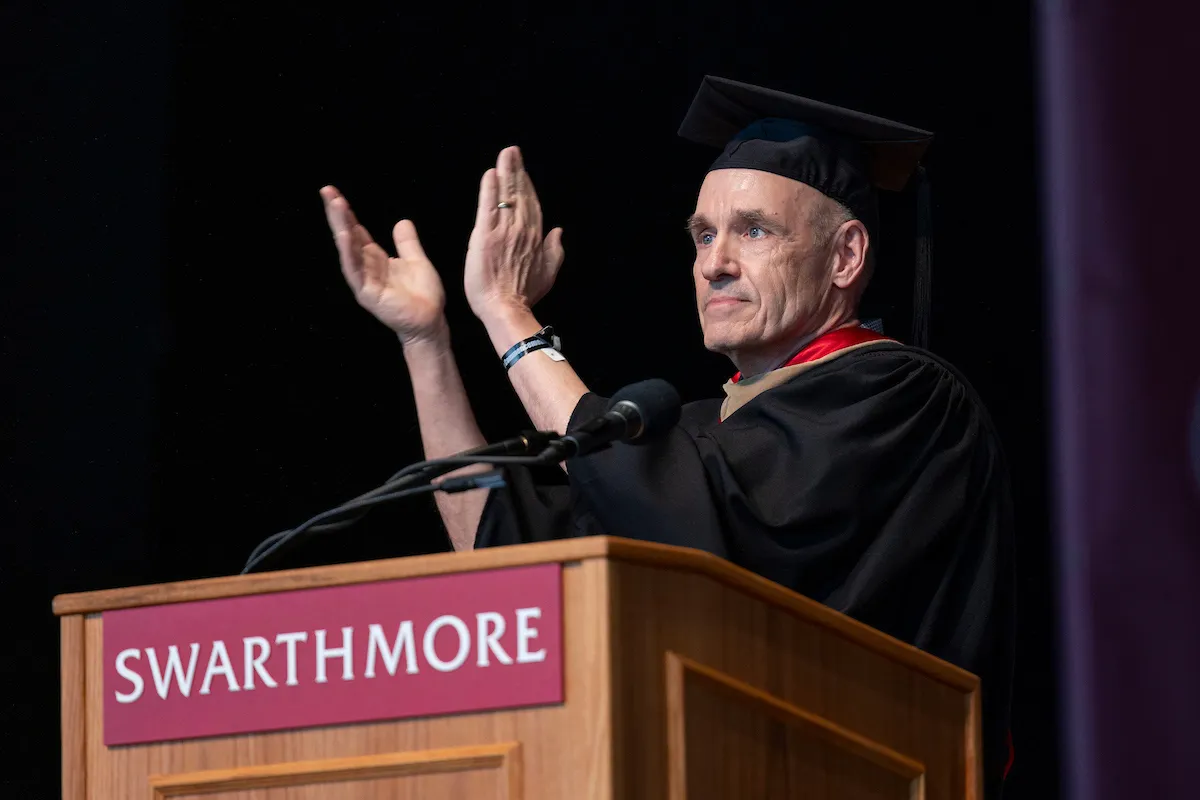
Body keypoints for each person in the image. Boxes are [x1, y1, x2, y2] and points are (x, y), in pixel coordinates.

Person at [321, 76, 1014, 797]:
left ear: (845, 257)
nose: (714, 262)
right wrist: (427, 343)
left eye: (754, 230)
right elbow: (502, 551)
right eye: (703, 235)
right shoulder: (686, 431)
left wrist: (507, 317)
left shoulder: (904, 398)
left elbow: (693, 522)